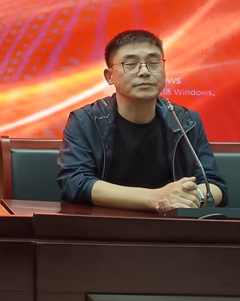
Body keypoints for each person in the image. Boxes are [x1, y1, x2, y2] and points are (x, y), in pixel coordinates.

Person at [57, 29, 227, 212]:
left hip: (172, 224)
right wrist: (155, 198)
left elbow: (214, 185)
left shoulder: (186, 121)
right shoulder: (85, 121)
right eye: (130, 64)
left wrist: (191, 198)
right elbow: (75, 182)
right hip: (104, 223)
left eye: (153, 63)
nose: (144, 72)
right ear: (109, 76)